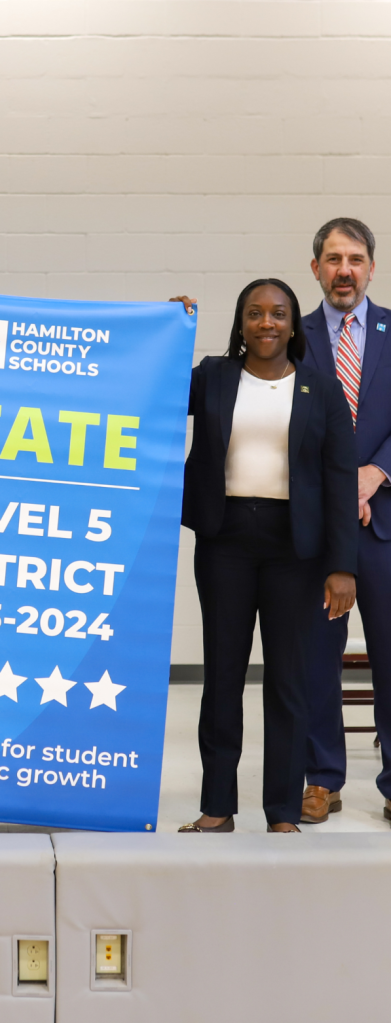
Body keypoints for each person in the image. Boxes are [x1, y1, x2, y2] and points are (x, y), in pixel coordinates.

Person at [175, 279, 358, 832]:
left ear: (293, 323)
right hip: (225, 541)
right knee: (223, 677)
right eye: (254, 313)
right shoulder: (213, 376)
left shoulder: (320, 388)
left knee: (286, 680)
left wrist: (342, 565)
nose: (266, 323)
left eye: (278, 313)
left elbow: (339, 478)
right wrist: (169, 328)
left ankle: (282, 811)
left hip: (294, 550)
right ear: (240, 323)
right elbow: (153, 388)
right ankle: (217, 808)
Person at [300, 218, 391, 826]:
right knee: (313, 657)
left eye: (355, 259)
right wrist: (337, 488)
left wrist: (376, 472)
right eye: (333, 259)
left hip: (384, 523)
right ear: (315, 269)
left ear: (371, 268)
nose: (344, 270)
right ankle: (321, 781)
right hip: (315, 529)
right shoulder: (290, 333)